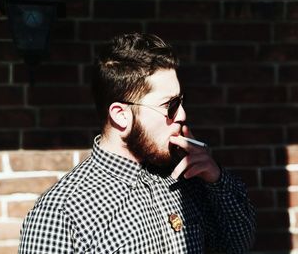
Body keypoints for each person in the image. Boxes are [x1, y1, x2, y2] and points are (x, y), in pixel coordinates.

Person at [18, 33, 256, 254]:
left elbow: (238, 245)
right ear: (121, 115)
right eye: (169, 106)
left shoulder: (185, 178)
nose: (182, 114)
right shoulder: (62, 213)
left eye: (181, 101)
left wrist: (216, 180)